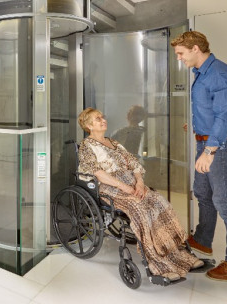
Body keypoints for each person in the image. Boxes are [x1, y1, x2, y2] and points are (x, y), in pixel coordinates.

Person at [77, 107, 204, 282]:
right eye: (98, 119)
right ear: (89, 125)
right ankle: (158, 263)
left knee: (159, 202)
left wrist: (139, 182)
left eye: (102, 117)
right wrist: (125, 187)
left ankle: (180, 254)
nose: (103, 120)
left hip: (131, 183)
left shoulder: (113, 142)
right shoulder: (87, 146)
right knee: (140, 209)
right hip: (109, 187)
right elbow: (98, 173)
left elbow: (133, 162)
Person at [171, 30, 227, 281]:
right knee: (203, 193)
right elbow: (211, 111)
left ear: (195, 49)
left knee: (226, 203)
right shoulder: (201, 74)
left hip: (221, 148)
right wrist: (198, 127)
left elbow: (225, 116)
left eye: (181, 54)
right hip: (206, 142)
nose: (179, 59)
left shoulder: (220, 73)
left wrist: (209, 150)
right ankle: (203, 240)